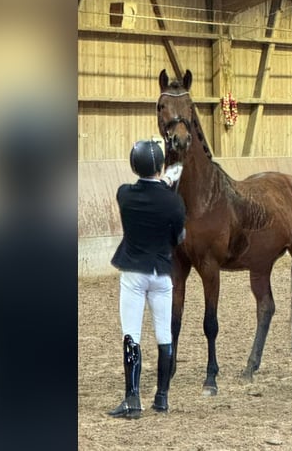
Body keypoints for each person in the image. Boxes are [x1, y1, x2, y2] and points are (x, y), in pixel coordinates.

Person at [108, 140, 186, 419]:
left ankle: (132, 398)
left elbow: (145, 190)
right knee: (164, 336)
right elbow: (179, 237)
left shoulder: (124, 195)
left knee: (132, 335)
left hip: (133, 272)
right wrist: (167, 182)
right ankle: (162, 397)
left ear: (133, 165)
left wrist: (162, 181)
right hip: (162, 273)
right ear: (160, 166)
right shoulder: (175, 202)